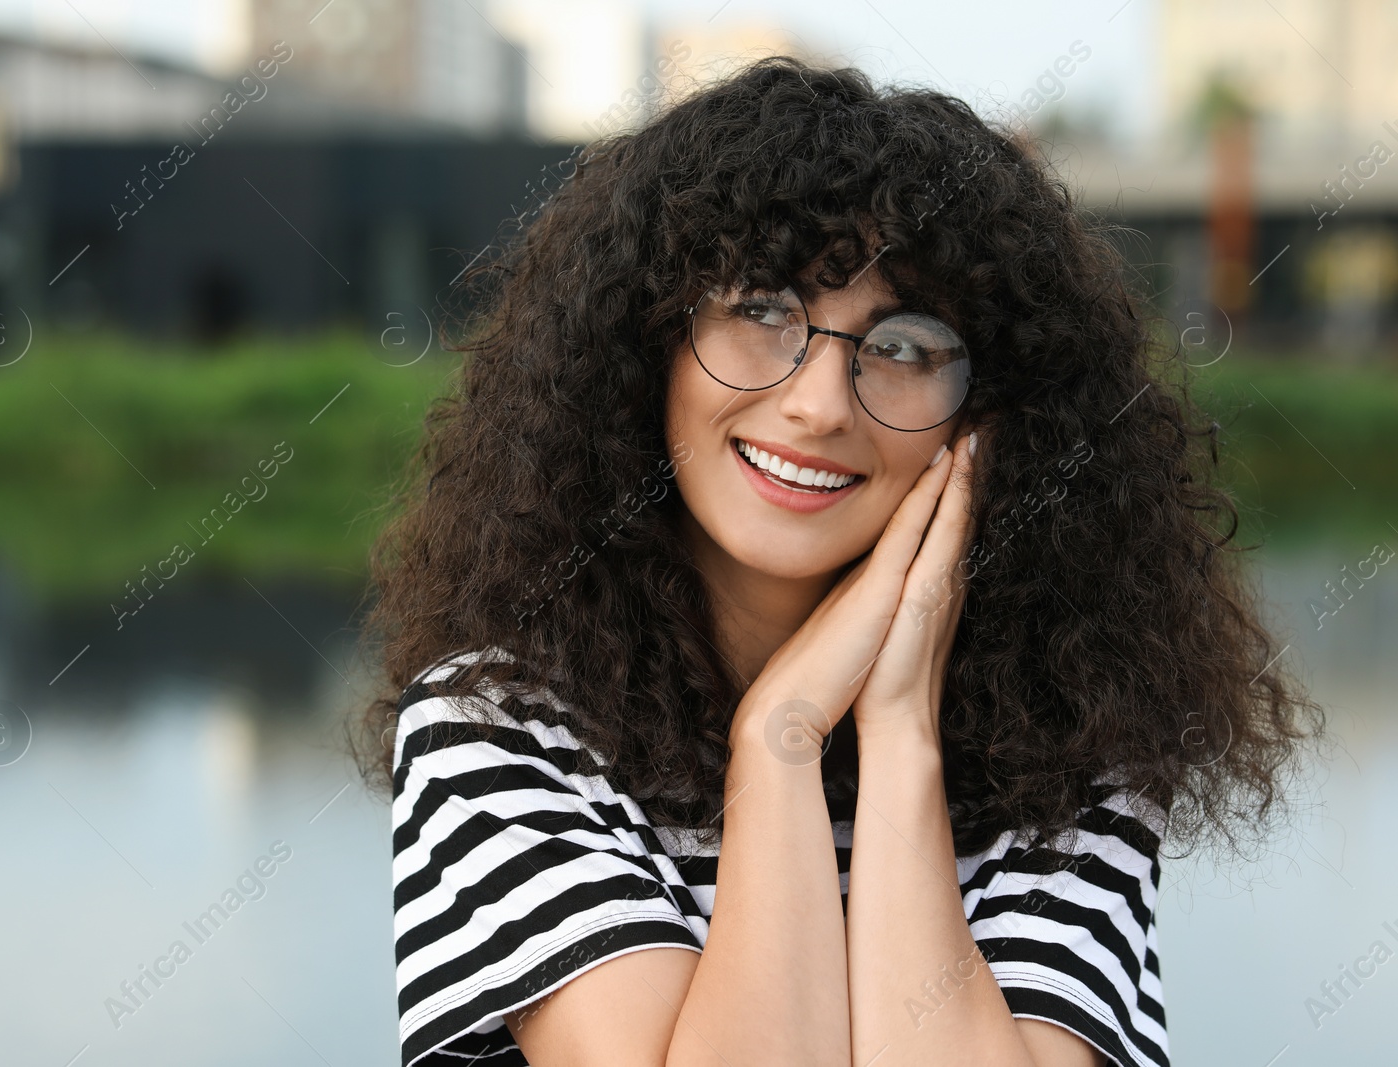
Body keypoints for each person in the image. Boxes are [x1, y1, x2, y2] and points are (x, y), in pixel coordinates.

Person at [353, 55, 1323, 1067]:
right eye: (760, 309)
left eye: (903, 346)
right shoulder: (497, 728)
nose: (817, 404)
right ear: (647, 343)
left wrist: (901, 735)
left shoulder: (1071, 751)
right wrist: (781, 740)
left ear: (995, 420)